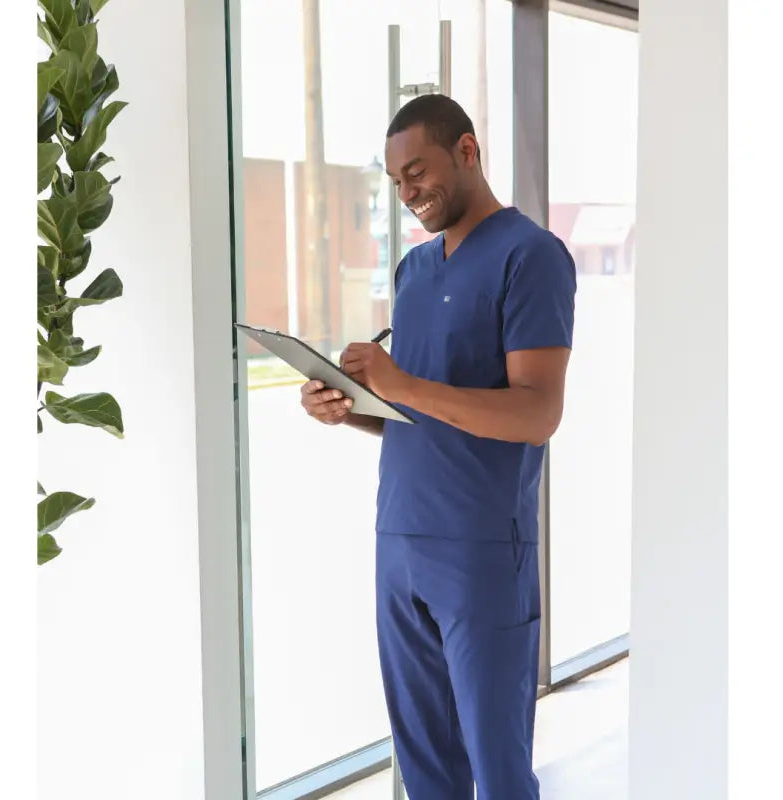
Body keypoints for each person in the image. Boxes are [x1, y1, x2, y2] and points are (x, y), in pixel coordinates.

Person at [301, 94, 576, 800]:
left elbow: (538, 411)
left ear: (467, 151)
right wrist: (350, 406)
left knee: (499, 771)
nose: (408, 192)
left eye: (417, 171)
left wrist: (400, 382)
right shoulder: (413, 272)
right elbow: (410, 411)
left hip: (482, 551)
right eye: (395, 182)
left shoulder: (532, 257)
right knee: (424, 770)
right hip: (399, 543)